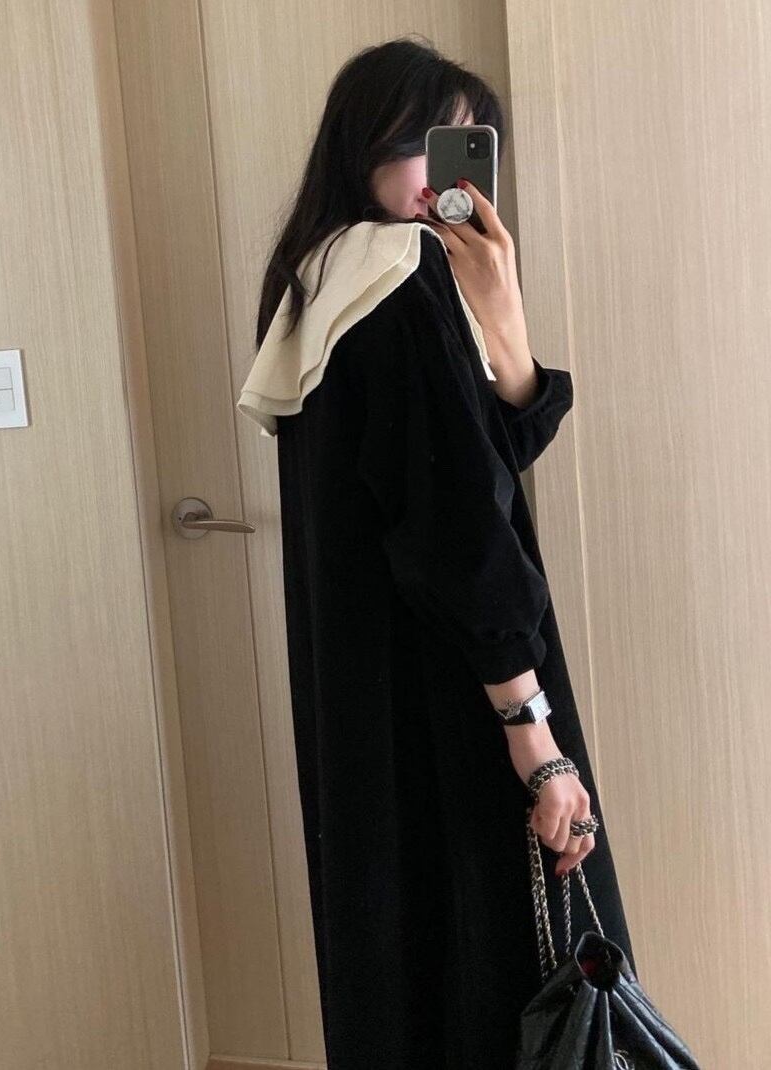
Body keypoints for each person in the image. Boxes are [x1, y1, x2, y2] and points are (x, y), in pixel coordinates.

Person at [237, 37, 638, 1068]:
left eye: (466, 144)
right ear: (365, 142)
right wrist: (534, 738)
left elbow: (475, 463)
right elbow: (460, 526)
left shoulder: (319, 276)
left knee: (404, 959)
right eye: (423, 140)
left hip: (368, 695)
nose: (440, 172)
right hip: (454, 687)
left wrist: (502, 315)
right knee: (504, 969)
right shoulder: (398, 273)